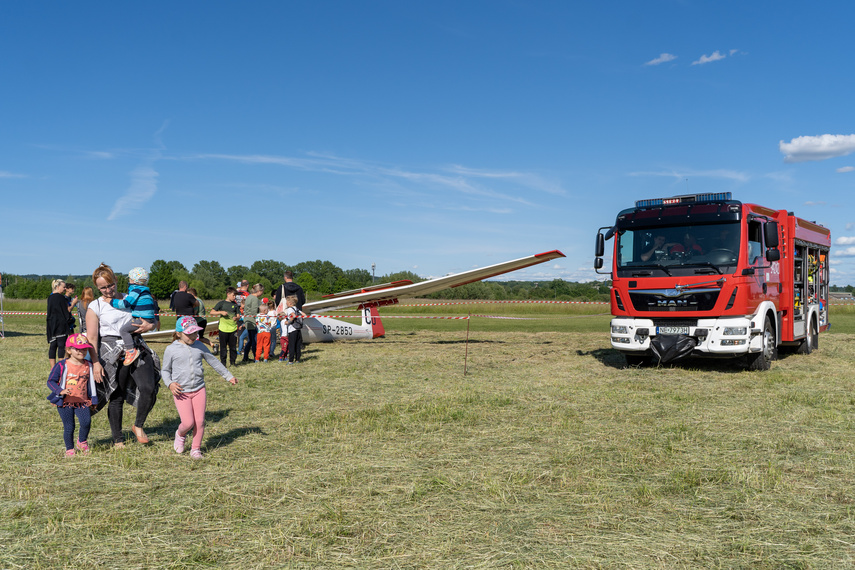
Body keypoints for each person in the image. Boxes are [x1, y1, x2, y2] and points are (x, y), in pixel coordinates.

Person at [86, 263, 160, 448]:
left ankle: (138, 425)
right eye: (103, 287)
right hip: (110, 351)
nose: (108, 290)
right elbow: (93, 338)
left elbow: (153, 319)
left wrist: (150, 326)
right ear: (97, 287)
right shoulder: (95, 306)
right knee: (116, 395)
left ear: (116, 281)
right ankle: (118, 439)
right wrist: (95, 362)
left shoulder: (133, 296)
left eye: (110, 285)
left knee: (148, 387)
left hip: (135, 345)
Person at [161, 316, 238, 459]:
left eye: (195, 333)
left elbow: (214, 362)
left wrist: (229, 376)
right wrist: (170, 383)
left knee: (200, 421)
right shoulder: (171, 349)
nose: (193, 336)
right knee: (188, 423)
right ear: (178, 333)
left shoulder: (200, 346)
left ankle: (195, 449)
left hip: (199, 390)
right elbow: (165, 371)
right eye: (188, 333)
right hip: (181, 392)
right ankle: (180, 434)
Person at [47, 334, 99, 457]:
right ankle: (69, 449)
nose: (82, 351)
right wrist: (60, 391)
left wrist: (94, 399)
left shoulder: (89, 365)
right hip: (65, 403)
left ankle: (82, 442)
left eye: (84, 349)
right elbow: (50, 381)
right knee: (69, 426)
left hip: (82, 401)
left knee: (86, 422)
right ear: (69, 350)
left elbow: (91, 384)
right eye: (78, 349)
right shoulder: (61, 365)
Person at [110, 267, 158, 366]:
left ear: (133, 280)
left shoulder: (136, 290)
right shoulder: (145, 291)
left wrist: (112, 302)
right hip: (148, 318)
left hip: (140, 318)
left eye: (130, 279)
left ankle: (131, 351)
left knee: (124, 330)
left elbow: (126, 303)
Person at [210, 287, 241, 367]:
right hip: (223, 329)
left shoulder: (235, 305)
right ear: (228, 294)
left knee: (233, 347)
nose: (234, 297)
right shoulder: (221, 303)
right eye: (233, 295)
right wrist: (221, 312)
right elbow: (212, 312)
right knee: (223, 348)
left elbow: (238, 316)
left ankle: (233, 363)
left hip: (233, 329)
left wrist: (237, 318)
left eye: (235, 296)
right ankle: (223, 364)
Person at [47, 279, 73, 367]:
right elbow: (66, 311)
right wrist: (73, 304)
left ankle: (53, 368)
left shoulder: (50, 297)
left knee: (53, 346)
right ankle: (61, 367)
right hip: (60, 325)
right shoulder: (62, 298)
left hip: (51, 324)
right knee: (61, 346)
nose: (65, 289)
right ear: (57, 287)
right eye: (64, 287)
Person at [280, 295, 307, 364]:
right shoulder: (296, 309)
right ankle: (297, 359)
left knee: (291, 345)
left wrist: (288, 322)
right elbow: (305, 315)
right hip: (298, 329)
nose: (286, 303)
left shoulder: (290, 309)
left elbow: (293, 316)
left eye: (286, 302)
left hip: (292, 329)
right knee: (298, 345)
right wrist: (300, 319)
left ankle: (291, 361)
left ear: (290, 303)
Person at [241, 284, 263, 363]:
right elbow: (254, 311)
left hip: (247, 320)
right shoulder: (254, 298)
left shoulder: (249, 297)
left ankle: (245, 357)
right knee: (254, 340)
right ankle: (255, 357)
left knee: (250, 340)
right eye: (262, 291)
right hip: (253, 321)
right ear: (259, 291)